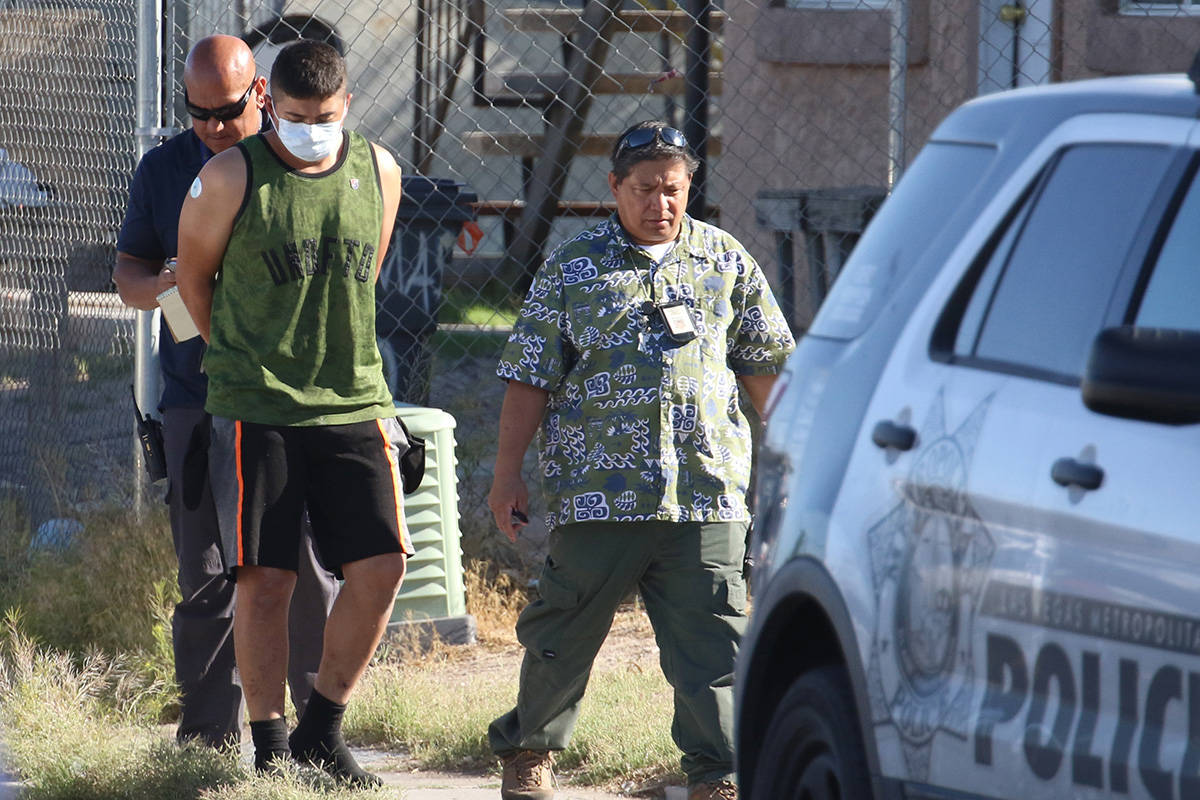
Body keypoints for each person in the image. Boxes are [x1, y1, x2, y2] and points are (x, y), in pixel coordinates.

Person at [485, 120, 796, 800]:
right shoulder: (574, 266)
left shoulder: (725, 261)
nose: (661, 203)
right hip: (601, 495)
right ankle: (531, 753)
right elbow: (529, 376)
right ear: (615, 189)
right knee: (561, 633)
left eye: (674, 189)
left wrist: (795, 463)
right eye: (646, 189)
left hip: (706, 494)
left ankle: (719, 773)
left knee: (716, 643)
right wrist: (506, 474)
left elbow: (768, 370)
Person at [174, 39, 410, 787]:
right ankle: (270, 744)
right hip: (256, 406)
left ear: (348, 107)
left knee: (381, 567)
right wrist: (242, 357)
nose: (314, 127)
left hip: (354, 399)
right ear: (270, 103)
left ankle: (322, 730)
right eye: (299, 115)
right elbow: (195, 282)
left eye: (328, 115)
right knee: (264, 579)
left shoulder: (378, 169)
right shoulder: (229, 175)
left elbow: (363, 272)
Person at [113, 34, 338, 751]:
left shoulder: (299, 160)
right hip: (196, 396)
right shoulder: (165, 167)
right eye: (197, 113)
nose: (211, 127)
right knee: (206, 569)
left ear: (262, 96)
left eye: (228, 112)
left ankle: (316, 727)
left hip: (285, 394)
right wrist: (167, 286)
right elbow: (128, 274)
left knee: (298, 560)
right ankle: (208, 734)